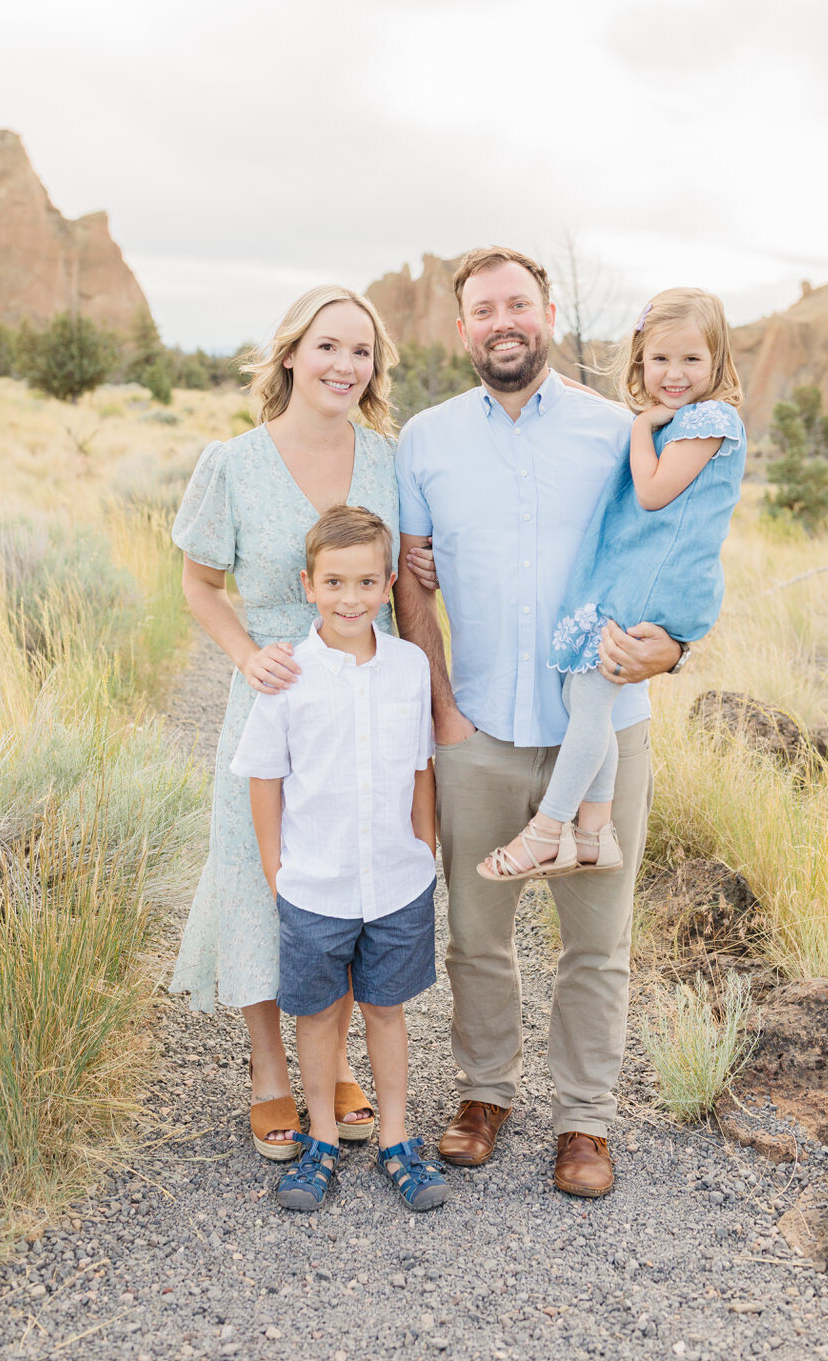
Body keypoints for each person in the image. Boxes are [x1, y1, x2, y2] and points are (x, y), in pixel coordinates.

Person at [393, 245, 686, 1199]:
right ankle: (483, 1095)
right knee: (475, 935)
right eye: (484, 310)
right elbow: (410, 578)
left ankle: (583, 1122)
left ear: (549, 313)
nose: (502, 322)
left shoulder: (617, 431)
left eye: (518, 304)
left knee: (595, 942)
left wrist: (674, 647)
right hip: (477, 728)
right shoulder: (426, 441)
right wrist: (440, 708)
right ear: (463, 328)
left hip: (602, 736)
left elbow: (676, 546)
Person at [169, 285, 436, 1159]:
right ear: (291, 354)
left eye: (360, 352)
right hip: (280, 693)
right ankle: (270, 1078)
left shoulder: (389, 460)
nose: (343, 366)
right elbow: (199, 583)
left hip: (368, 695)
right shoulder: (234, 462)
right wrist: (248, 655)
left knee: (359, 866)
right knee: (262, 874)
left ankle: (341, 1071)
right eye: (327, 347)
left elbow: (402, 581)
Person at [478, 287, 746, 882]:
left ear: (718, 361)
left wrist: (639, 428)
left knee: (592, 702)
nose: (674, 375)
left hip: (658, 581)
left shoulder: (710, 419)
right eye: (660, 360)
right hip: (638, 576)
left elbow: (651, 493)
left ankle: (549, 830)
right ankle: (596, 833)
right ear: (640, 361)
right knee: (583, 695)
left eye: (691, 361)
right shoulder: (679, 417)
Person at [231, 505, 449, 1213]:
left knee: (385, 1010)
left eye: (363, 582)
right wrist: (276, 872)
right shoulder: (288, 674)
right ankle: (321, 1138)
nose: (348, 598)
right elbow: (265, 778)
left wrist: (426, 844)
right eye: (333, 583)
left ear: (388, 585)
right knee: (320, 1013)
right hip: (315, 884)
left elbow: (420, 763)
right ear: (308, 585)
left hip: (396, 880)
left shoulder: (410, 666)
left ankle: (394, 1139)